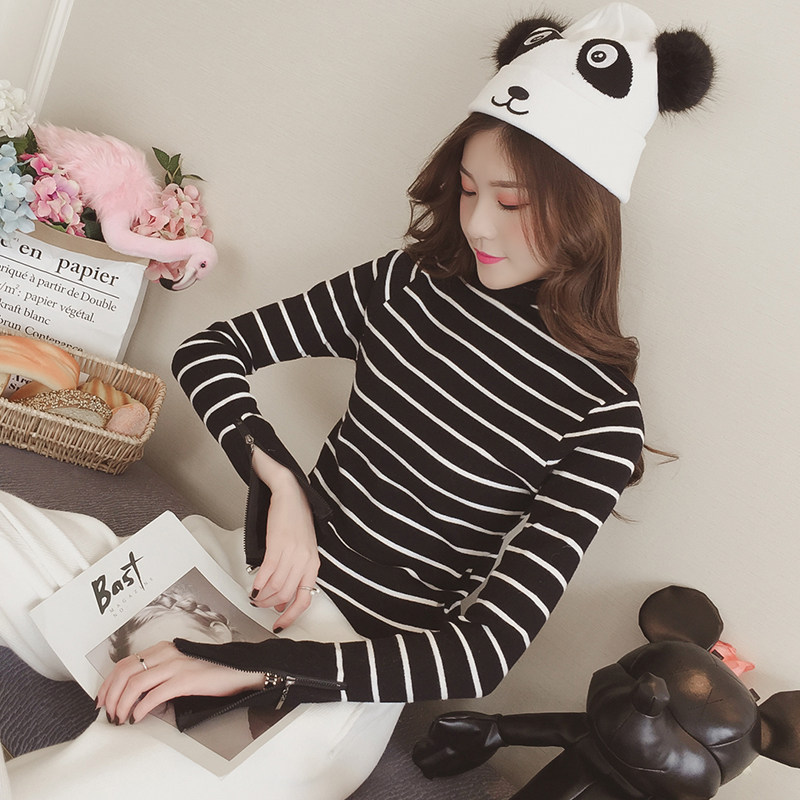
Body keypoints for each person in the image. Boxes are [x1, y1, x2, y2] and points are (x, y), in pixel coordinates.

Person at [3, 5, 714, 798]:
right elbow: (210, 350)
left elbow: (482, 652)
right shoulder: (410, 282)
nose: (478, 224)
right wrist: (281, 484)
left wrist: (255, 667)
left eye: (510, 203)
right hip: (228, 573)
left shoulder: (601, 416)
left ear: (585, 209)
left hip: (341, 672)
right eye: (468, 189)